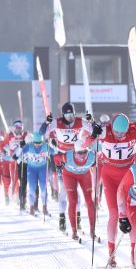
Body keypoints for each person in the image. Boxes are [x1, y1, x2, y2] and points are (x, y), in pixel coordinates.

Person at [96, 113, 136, 267]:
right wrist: (91, 133)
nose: (120, 136)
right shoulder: (104, 131)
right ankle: (111, 252)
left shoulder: (134, 130)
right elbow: (82, 142)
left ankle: (134, 252)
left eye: (123, 132)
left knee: (131, 213)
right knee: (114, 213)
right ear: (112, 127)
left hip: (128, 175)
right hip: (109, 176)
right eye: (117, 132)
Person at [40, 102, 92, 232]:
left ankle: (77, 219)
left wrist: (92, 121)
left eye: (72, 113)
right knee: (64, 191)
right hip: (62, 158)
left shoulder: (80, 121)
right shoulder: (57, 123)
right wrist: (46, 123)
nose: (70, 117)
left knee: (77, 193)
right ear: (63, 114)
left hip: (76, 157)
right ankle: (62, 218)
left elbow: (96, 131)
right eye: (67, 114)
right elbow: (42, 133)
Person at [54, 133, 99, 240]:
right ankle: (74, 231)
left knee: (90, 201)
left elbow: (97, 161)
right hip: (69, 175)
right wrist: (59, 167)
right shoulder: (67, 156)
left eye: (85, 152)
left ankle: (92, 230)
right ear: (74, 152)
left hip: (85, 175)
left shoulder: (92, 156)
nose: (83, 156)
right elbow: (56, 158)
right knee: (73, 201)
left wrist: (94, 165)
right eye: (79, 153)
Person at [0, 120, 28, 209]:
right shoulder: (10, 136)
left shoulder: (25, 135)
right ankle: (7, 195)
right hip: (11, 160)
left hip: (21, 160)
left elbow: (31, 143)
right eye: (17, 128)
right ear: (14, 128)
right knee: (7, 179)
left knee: (18, 180)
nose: (19, 130)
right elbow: (1, 145)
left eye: (20, 128)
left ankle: (18, 198)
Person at [21, 133, 52, 216]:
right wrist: (22, 146)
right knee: (31, 188)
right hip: (32, 169)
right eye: (36, 143)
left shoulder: (46, 146)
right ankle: (31, 207)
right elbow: (20, 152)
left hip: (42, 169)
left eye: (39, 143)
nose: (38, 145)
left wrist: (53, 145)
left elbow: (54, 151)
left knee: (43, 189)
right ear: (33, 142)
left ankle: (45, 207)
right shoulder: (29, 146)